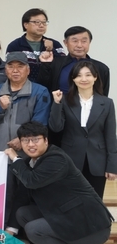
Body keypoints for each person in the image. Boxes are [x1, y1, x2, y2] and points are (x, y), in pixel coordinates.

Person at [7, 122, 114, 244]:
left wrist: (15, 158)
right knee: (23, 213)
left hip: (89, 224)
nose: (30, 144)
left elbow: (31, 181)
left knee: (34, 230)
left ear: (46, 140)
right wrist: (11, 229)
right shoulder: (32, 162)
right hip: (66, 214)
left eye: (35, 139)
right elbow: (23, 194)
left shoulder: (56, 159)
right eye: (25, 140)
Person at [0, 52, 51, 233]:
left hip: (27, 153)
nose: (15, 70)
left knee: (23, 192)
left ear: (28, 69)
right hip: (0, 153)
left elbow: (40, 122)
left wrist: (22, 140)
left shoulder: (39, 91)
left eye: (20, 66)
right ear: (5, 69)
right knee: (2, 192)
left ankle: (15, 228)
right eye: (11, 66)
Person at [49, 61, 117, 201]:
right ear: (73, 79)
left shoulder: (107, 103)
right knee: (71, 201)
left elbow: (110, 136)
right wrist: (56, 103)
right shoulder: (65, 100)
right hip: (71, 159)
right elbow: (56, 127)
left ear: (95, 77)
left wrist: (112, 166)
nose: (83, 79)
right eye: (79, 75)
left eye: (88, 75)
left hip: (98, 161)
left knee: (95, 202)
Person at [39, 26, 110, 96]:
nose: (79, 45)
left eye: (84, 41)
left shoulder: (101, 68)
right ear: (65, 43)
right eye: (75, 41)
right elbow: (43, 88)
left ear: (89, 42)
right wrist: (45, 65)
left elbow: (103, 97)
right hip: (60, 103)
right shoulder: (55, 63)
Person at [5, 8, 65, 83]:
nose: (42, 25)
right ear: (26, 25)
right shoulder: (15, 46)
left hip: (51, 87)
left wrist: (52, 50)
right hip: (24, 87)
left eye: (44, 22)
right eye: (37, 22)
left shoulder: (55, 44)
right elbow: (10, 70)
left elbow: (63, 67)